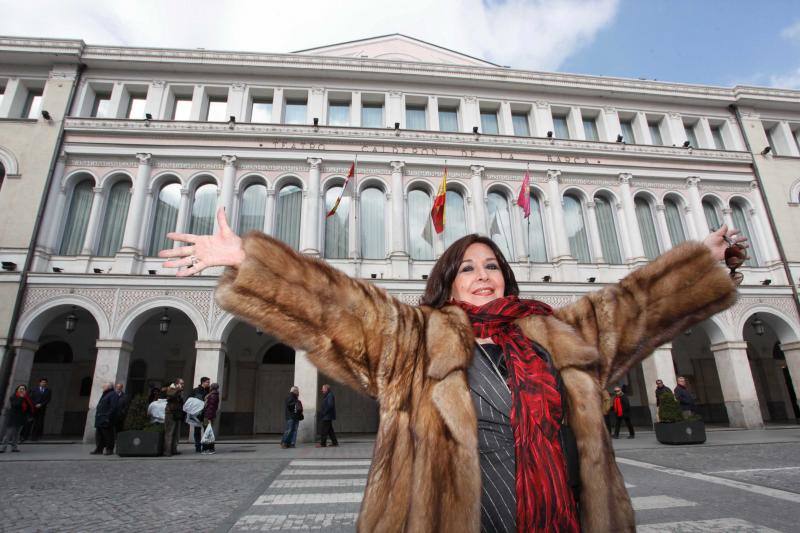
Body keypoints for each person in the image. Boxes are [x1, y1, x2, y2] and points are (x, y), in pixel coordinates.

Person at [160, 208, 745, 532]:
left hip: (563, 518)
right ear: (448, 282)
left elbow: (635, 307)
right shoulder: (414, 341)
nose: (483, 275)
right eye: (467, 268)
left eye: (492, 266)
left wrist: (704, 263)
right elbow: (340, 309)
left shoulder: (560, 333)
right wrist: (251, 261)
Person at [1, 385, 35, 453]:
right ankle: (3, 448)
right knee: (8, 434)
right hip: (13, 418)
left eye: (23, 389)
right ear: (17, 389)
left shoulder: (26, 398)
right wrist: (21, 398)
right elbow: (16, 405)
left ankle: (14, 447)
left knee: (17, 434)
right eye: (20, 389)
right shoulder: (13, 397)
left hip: (21, 418)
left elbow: (30, 407)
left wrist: (30, 416)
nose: (22, 390)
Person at [91, 383, 119, 455]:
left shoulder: (113, 394)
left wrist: (107, 416)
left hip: (106, 419)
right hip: (100, 418)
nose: (103, 387)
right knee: (99, 435)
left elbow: (113, 407)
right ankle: (99, 449)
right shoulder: (105, 394)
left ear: (109, 387)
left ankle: (109, 449)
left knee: (108, 435)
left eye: (104, 386)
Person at [162, 378, 184, 457]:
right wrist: (177, 389)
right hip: (170, 413)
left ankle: (173, 449)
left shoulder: (178, 391)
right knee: (169, 432)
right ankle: (167, 451)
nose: (183, 385)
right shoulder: (171, 389)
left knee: (175, 433)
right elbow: (170, 395)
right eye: (181, 383)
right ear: (177, 383)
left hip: (176, 413)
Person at [191, 377, 210, 453]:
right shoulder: (196, 390)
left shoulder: (208, 390)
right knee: (197, 431)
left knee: (206, 430)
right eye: (207, 382)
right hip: (198, 413)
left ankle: (205, 446)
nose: (209, 383)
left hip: (206, 414)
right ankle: (198, 447)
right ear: (203, 382)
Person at [201, 383, 220, 454]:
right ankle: (210, 448)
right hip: (210, 415)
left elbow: (211, 408)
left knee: (207, 432)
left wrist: (208, 417)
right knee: (209, 432)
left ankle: (207, 448)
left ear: (212, 387)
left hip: (208, 416)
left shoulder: (212, 395)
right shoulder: (214, 395)